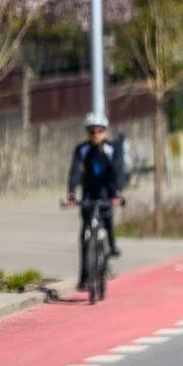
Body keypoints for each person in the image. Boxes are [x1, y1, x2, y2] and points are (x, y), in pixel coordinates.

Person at [63, 112, 123, 290]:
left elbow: (118, 172)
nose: (96, 134)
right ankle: (84, 277)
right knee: (85, 234)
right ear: (87, 133)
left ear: (105, 132)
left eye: (100, 130)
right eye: (92, 131)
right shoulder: (82, 149)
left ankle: (111, 245)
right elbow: (75, 171)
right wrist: (72, 193)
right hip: (89, 192)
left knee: (107, 218)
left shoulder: (112, 149)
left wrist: (117, 193)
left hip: (107, 191)